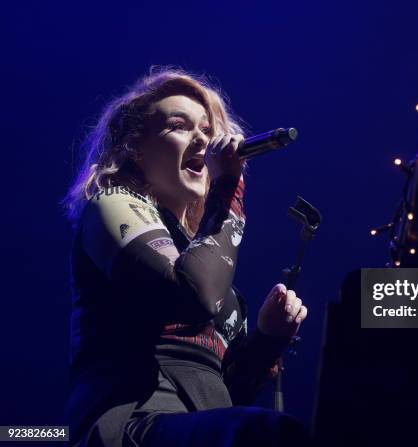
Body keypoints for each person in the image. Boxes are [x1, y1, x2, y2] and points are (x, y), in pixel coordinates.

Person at [62, 67, 312, 446]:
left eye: (209, 132)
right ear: (134, 148)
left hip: (192, 428)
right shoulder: (111, 205)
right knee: (265, 433)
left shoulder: (199, 251)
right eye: (180, 126)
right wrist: (229, 188)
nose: (203, 141)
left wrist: (267, 338)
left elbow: (225, 393)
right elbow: (190, 295)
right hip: (131, 424)